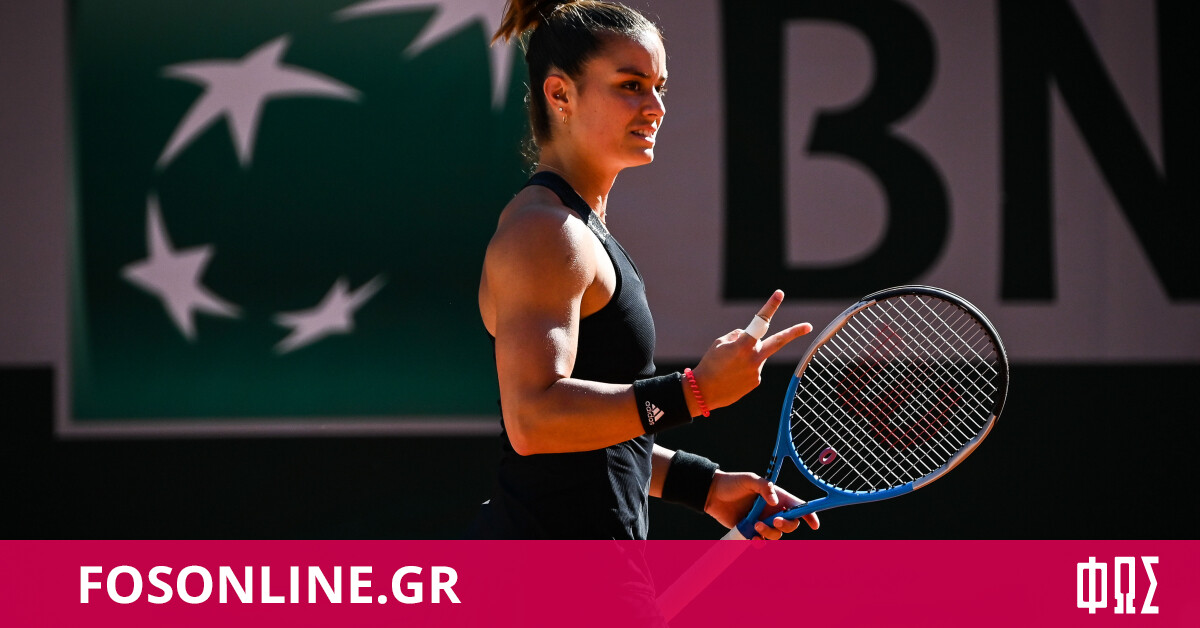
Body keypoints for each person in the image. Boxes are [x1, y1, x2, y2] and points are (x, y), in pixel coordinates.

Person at [470, 0, 820, 540]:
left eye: (659, 87)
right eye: (631, 85)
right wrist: (696, 391)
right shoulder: (546, 232)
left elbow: (590, 443)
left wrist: (703, 487)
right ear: (560, 94)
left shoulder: (572, 228)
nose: (655, 107)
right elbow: (534, 421)